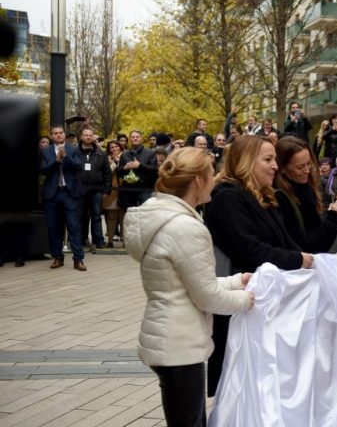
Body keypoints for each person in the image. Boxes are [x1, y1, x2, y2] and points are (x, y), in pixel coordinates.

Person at [123, 147, 255, 427]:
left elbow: (189, 282)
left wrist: (236, 281)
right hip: (179, 344)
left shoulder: (163, 217)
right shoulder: (186, 227)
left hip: (170, 338)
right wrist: (248, 300)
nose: (216, 179)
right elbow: (207, 296)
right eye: (211, 173)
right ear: (197, 180)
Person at [204, 135, 316, 395]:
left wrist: (309, 260)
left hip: (263, 306)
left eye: (275, 159)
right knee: (239, 388)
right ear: (245, 162)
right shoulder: (227, 198)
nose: (275, 165)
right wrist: (299, 260)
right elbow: (250, 250)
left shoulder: (263, 196)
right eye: (268, 159)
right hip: (241, 307)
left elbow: (290, 243)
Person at [274, 137, 337, 253]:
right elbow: (306, 247)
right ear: (282, 168)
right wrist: (334, 217)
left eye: (308, 164)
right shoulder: (280, 198)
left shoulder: (307, 187)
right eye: (300, 167)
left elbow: (318, 233)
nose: (307, 170)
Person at [40, 125, 87, 272]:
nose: (58, 135)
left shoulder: (73, 149)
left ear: (64, 134)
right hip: (52, 194)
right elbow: (43, 170)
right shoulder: (45, 151)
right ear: (51, 135)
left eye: (61, 133)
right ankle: (57, 258)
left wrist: (65, 157)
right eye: (55, 133)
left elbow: (79, 166)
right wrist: (56, 160)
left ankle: (78, 259)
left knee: (73, 226)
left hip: (69, 193)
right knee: (54, 227)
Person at [77, 127, 112, 250]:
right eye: (85, 135)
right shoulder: (74, 152)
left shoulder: (101, 153)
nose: (88, 137)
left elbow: (107, 172)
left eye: (90, 135)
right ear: (81, 137)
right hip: (79, 190)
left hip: (96, 190)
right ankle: (80, 240)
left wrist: (107, 190)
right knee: (80, 216)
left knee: (96, 216)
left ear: (93, 138)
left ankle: (99, 241)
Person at [117, 130, 158, 208]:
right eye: (133, 137)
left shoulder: (150, 153)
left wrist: (140, 166)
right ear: (130, 139)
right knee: (129, 214)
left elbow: (154, 170)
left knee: (145, 213)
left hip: (144, 188)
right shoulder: (125, 154)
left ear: (141, 139)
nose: (135, 138)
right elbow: (119, 171)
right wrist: (124, 168)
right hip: (128, 189)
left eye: (137, 137)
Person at [102, 140, 126, 248]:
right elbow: (107, 173)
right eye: (112, 147)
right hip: (112, 190)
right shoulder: (107, 159)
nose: (114, 149)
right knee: (111, 216)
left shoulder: (127, 156)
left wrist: (120, 161)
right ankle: (110, 240)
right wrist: (115, 163)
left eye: (116, 146)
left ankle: (125, 241)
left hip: (125, 190)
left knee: (124, 216)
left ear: (120, 147)